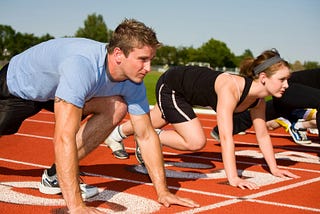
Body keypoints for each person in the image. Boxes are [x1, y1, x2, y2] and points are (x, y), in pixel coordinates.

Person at [0, 18, 199, 213]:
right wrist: (76, 206)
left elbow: (146, 135)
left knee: (117, 107)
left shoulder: (133, 81)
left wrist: (163, 191)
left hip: (56, 91)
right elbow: (63, 137)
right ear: (118, 54)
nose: (148, 68)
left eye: (150, 60)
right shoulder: (82, 66)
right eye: (142, 60)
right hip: (18, 86)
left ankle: (55, 176)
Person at [106, 49, 299, 190]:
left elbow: (263, 135)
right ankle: (149, 138)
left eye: (288, 79)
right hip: (173, 85)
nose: (287, 85)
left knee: (148, 122)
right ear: (263, 77)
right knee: (196, 141)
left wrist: (274, 169)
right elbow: (225, 137)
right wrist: (233, 178)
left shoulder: (257, 102)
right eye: (282, 79)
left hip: (186, 92)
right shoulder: (232, 88)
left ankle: (116, 134)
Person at [211, 68, 320, 144]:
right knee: (271, 109)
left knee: (268, 112)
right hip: (288, 88)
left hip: (292, 92)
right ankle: (293, 120)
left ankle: (223, 129)